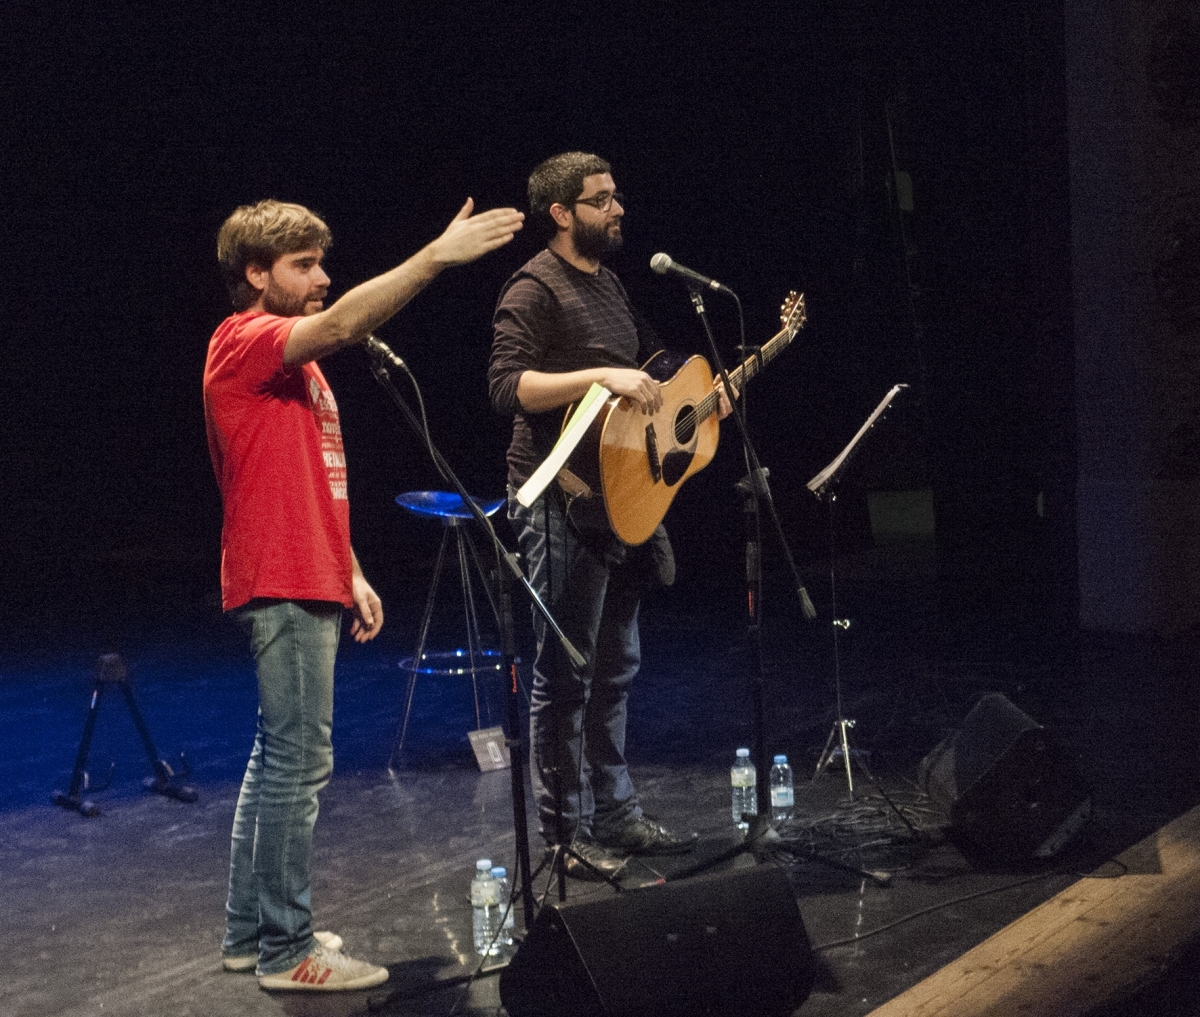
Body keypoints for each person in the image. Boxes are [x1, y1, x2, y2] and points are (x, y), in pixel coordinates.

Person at [205, 196, 523, 990]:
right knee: (300, 764)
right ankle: (288, 949)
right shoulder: (245, 340)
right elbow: (346, 321)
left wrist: (348, 566)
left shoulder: (296, 367)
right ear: (254, 273)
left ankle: (251, 933)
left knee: (275, 756)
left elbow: (305, 477)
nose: (322, 277)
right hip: (279, 574)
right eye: (302, 265)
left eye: (322, 262)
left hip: (308, 566)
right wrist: (437, 256)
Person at [489, 152, 732, 879]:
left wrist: (704, 392)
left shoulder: (614, 285)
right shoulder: (534, 287)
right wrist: (598, 373)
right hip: (561, 499)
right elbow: (506, 386)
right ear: (562, 213)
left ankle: (617, 813)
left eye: (616, 195)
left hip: (624, 497)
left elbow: (657, 365)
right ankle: (567, 833)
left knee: (617, 665)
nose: (617, 208)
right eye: (600, 200)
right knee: (565, 674)